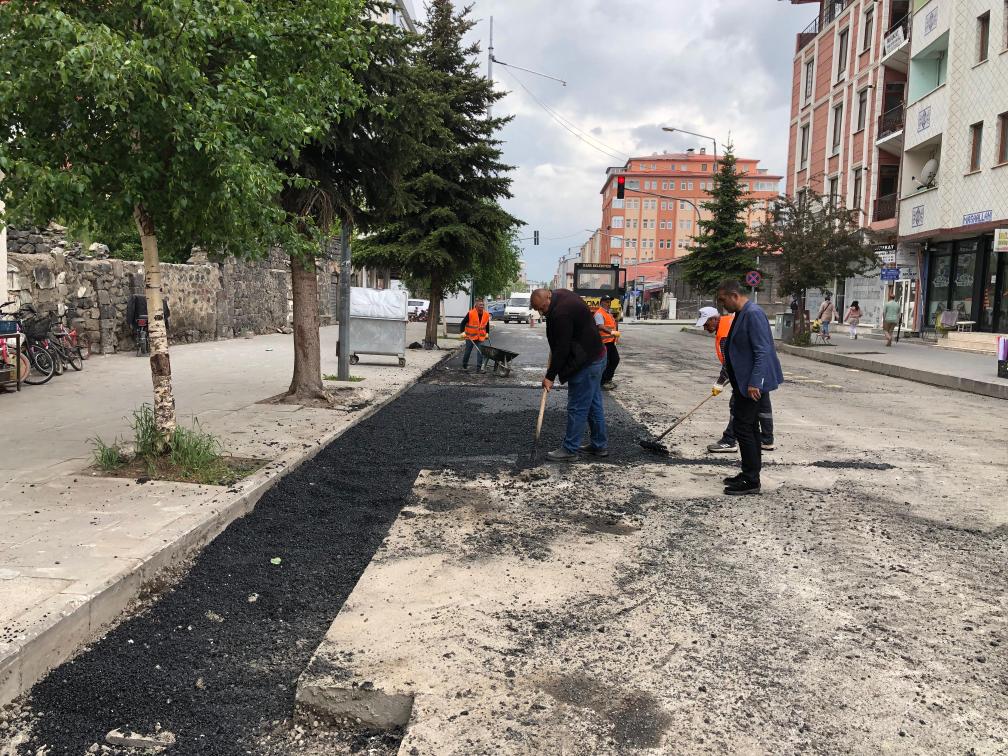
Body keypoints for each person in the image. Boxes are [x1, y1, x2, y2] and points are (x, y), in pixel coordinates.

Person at [716, 279, 784, 496]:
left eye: (723, 299)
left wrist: (756, 381)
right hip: (744, 382)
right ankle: (749, 474)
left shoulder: (753, 313)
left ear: (734, 295)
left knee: (744, 428)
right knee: (750, 428)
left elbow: (762, 350)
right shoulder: (742, 313)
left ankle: (751, 479)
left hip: (751, 384)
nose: (722, 305)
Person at [530, 288, 608, 462]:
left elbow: (562, 350)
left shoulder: (561, 313)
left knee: (577, 407)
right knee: (594, 404)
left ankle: (570, 449)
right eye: (538, 310)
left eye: (542, 308)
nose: (542, 312)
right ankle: (599, 445)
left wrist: (550, 377)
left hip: (586, 362)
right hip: (596, 355)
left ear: (548, 296)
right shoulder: (561, 295)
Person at [696, 306, 774, 454]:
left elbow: (730, 362)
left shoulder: (725, 332)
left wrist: (719, 383)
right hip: (762, 367)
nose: (705, 328)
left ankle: (729, 440)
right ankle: (766, 439)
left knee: (737, 405)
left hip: (750, 372)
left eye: (706, 324)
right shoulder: (730, 322)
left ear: (714, 319)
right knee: (763, 404)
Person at [595, 295, 620, 390]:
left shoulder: (607, 313)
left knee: (612, 361)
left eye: (609, 302)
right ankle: (604, 381)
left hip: (610, 342)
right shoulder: (599, 313)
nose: (609, 304)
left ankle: (606, 380)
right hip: (604, 343)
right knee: (612, 360)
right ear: (601, 303)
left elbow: (612, 324)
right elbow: (600, 326)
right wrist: (611, 332)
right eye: (606, 302)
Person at [459, 298, 490, 372]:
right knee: (468, 351)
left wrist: (487, 333)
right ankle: (464, 365)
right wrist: (462, 332)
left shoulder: (486, 314)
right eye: (480, 305)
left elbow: (487, 325)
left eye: (483, 305)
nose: (482, 306)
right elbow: (463, 323)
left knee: (480, 351)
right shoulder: (471, 313)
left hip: (480, 337)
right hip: (470, 336)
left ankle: (479, 368)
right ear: (476, 305)